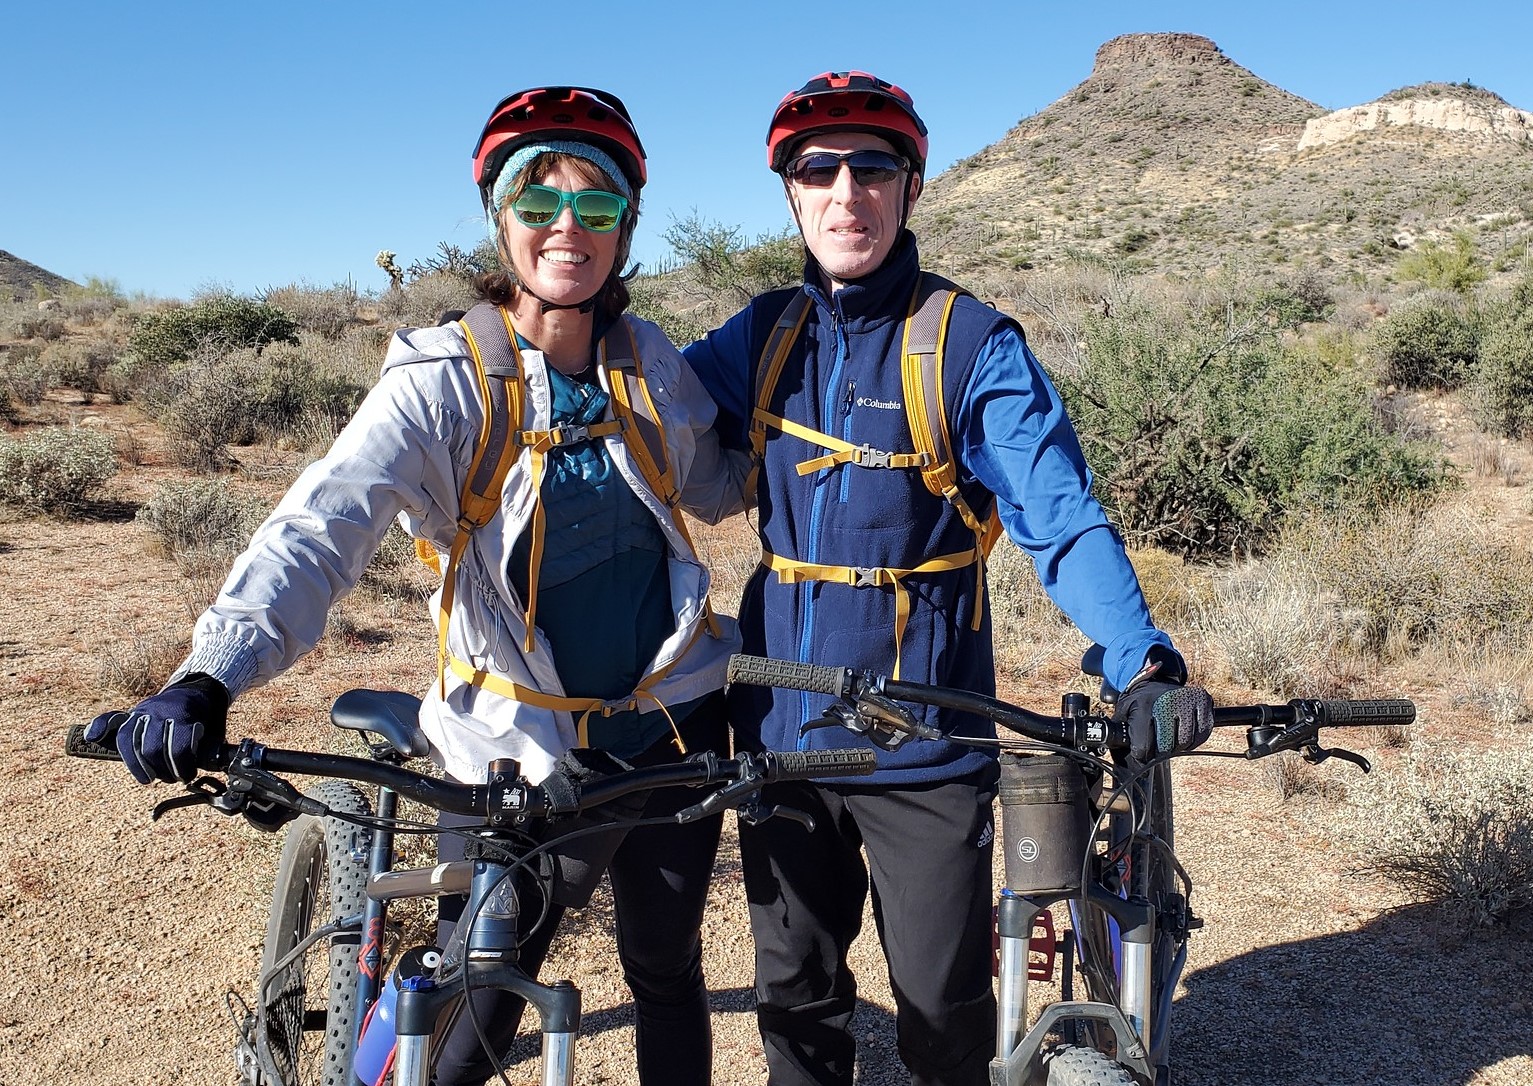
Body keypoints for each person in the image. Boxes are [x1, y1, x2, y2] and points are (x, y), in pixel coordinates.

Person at [85, 85, 748, 1086]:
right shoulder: (443, 378)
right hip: (512, 759)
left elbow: (720, 480)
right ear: (502, 218)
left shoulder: (647, 362)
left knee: (667, 972)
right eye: (539, 202)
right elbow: (321, 528)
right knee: (470, 1018)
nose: (567, 228)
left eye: (597, 205)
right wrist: (211, 672)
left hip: (671, 734)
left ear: (625, 226)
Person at [682, 71, 1215, 1086]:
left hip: (921, 743)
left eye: (873, 167)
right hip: (781, 736)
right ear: (791, 193)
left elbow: (1056, 515)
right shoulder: (759, 338)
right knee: (795, 1002)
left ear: (912, 187)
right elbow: (640, 417)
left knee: (942, 1016)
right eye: (818, 168)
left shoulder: (968, 347)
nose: (847, 191)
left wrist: (1141, 659)